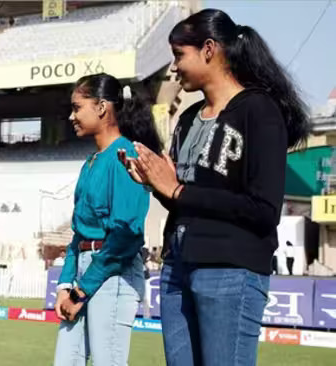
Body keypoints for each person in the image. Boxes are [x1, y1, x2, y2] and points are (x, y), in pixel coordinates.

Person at [121, 9, 309, 366]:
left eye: (179, 55)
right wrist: (155, 182)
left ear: (209, 49)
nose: (174, 67)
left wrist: (177, 191)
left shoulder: (259, 110)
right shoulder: (189, 119)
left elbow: (263, 210)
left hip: (230, 269)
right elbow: (184, 198)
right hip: (177, 266)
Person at [52, 73, 161, 365]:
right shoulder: (91, 162)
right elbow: (79, 233)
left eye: (77, 107)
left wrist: (80, 291)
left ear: (101, 107)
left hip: (113, 273)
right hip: (85, 275)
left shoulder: (127, 156)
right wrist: (65, 285)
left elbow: (125, 236)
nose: (71, 116)